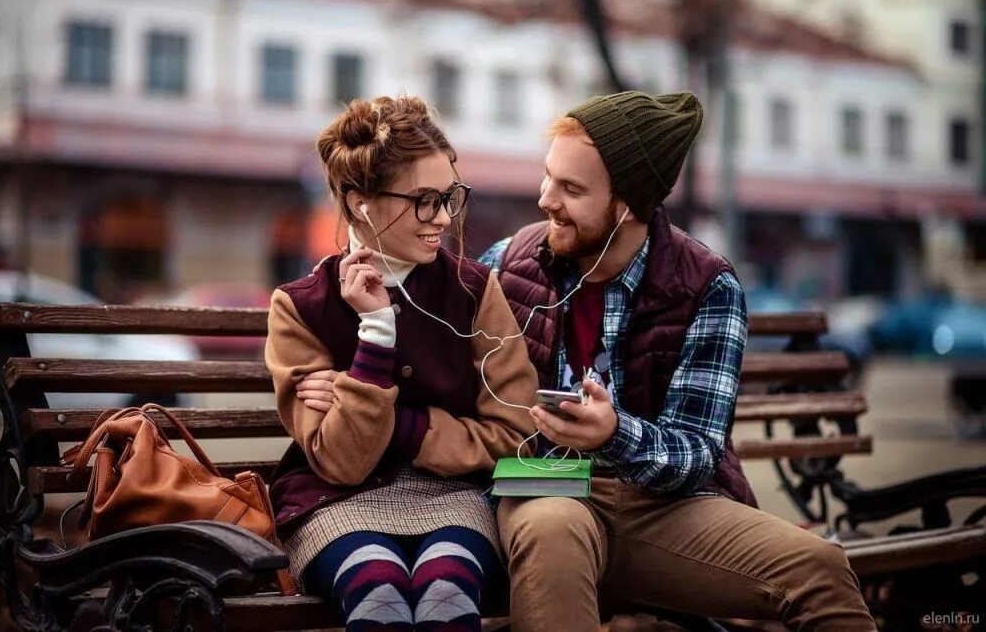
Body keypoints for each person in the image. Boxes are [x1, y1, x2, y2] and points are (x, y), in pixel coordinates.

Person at [479, 91, 877, 631]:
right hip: (544, 487)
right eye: (549, 176)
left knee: (822, 568)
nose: (546, 198)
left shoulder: (706, 286)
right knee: (553, 530)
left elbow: (696, 452)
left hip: (661, 506)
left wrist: (613, 433)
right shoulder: (508, 262)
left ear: (627, 205)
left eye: (571, 189)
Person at [265, 95, 538, 631]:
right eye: (422, 200)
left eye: (449, 197)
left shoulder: (474, 291)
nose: (441, 217)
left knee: (445, 588)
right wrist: (376, 333)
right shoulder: (299, 306)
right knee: (379, 588)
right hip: (335, 503)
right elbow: (341, 463)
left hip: (456, 497)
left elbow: (516, 430)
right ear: (358, 202)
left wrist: (401, 424)